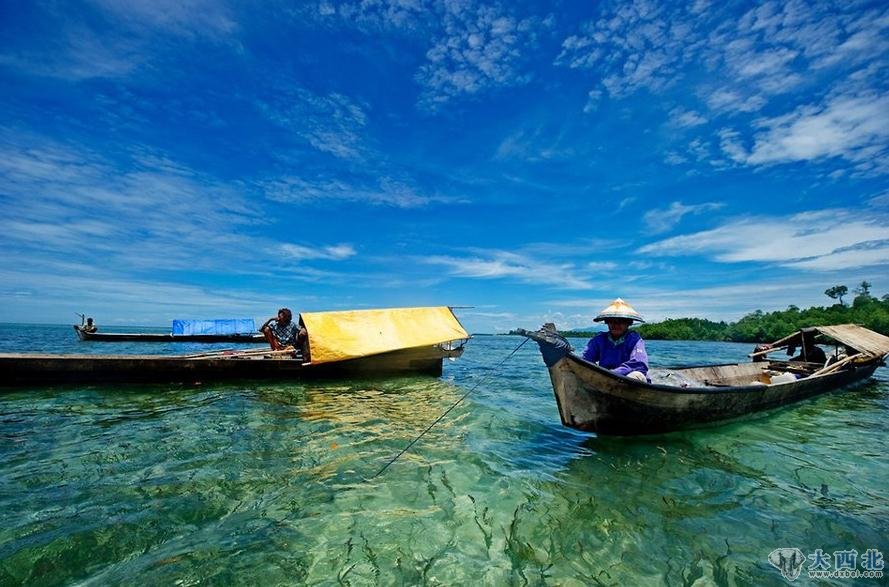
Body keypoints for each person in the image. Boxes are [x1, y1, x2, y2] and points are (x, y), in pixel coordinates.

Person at [582, 298, 649, 382]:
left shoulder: (634, 339)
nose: (616, 325)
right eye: (611, 321)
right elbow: (586, 359)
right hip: (604, 378)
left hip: (626, 379)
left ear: (629, 323)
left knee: (637, 375)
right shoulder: (599, 339)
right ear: (607, 322)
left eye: (621, 321)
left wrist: (612, 373)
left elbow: (639, 364)